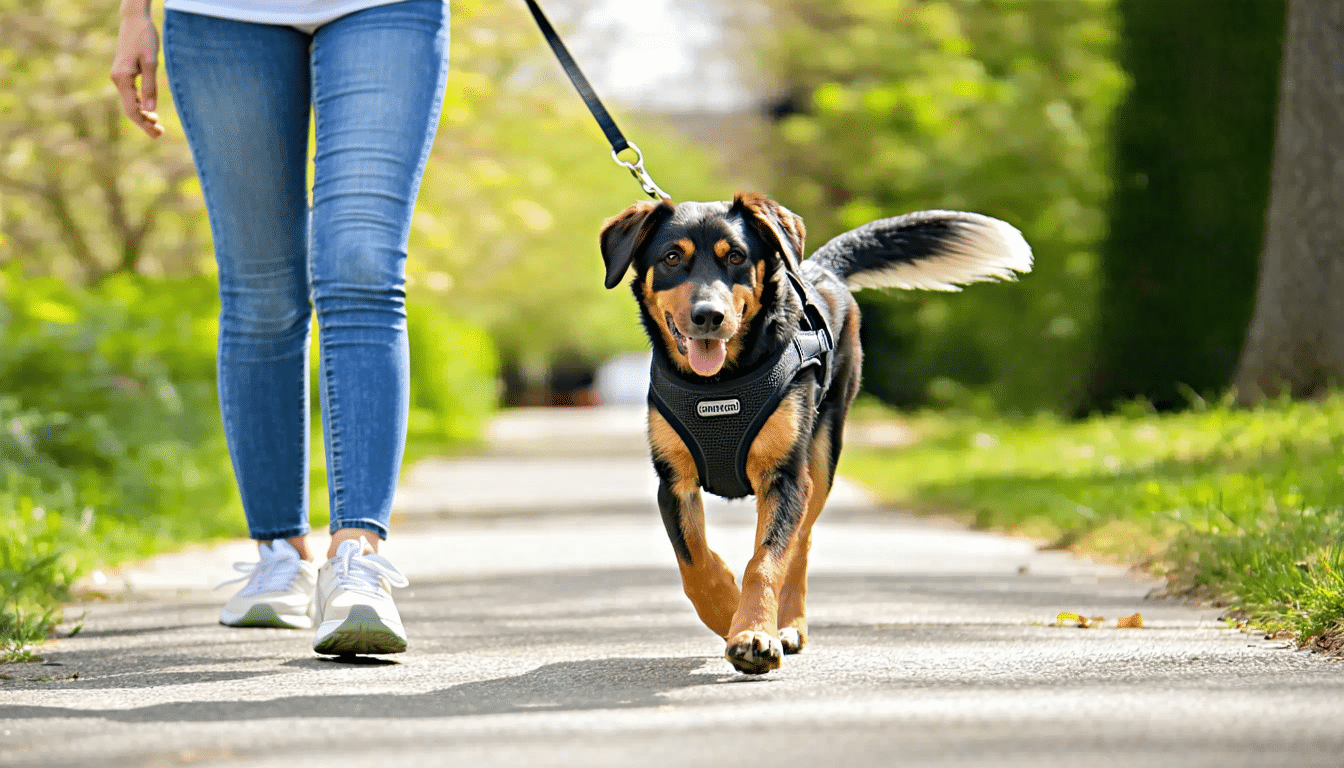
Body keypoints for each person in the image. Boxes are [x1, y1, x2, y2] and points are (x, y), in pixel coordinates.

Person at [111, 0, 451, 655]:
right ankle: (279, 553)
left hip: (385, 10)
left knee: (361, 264)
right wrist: (134, 13)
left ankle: (356, 559)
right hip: (221, 14)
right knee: (261, 288)